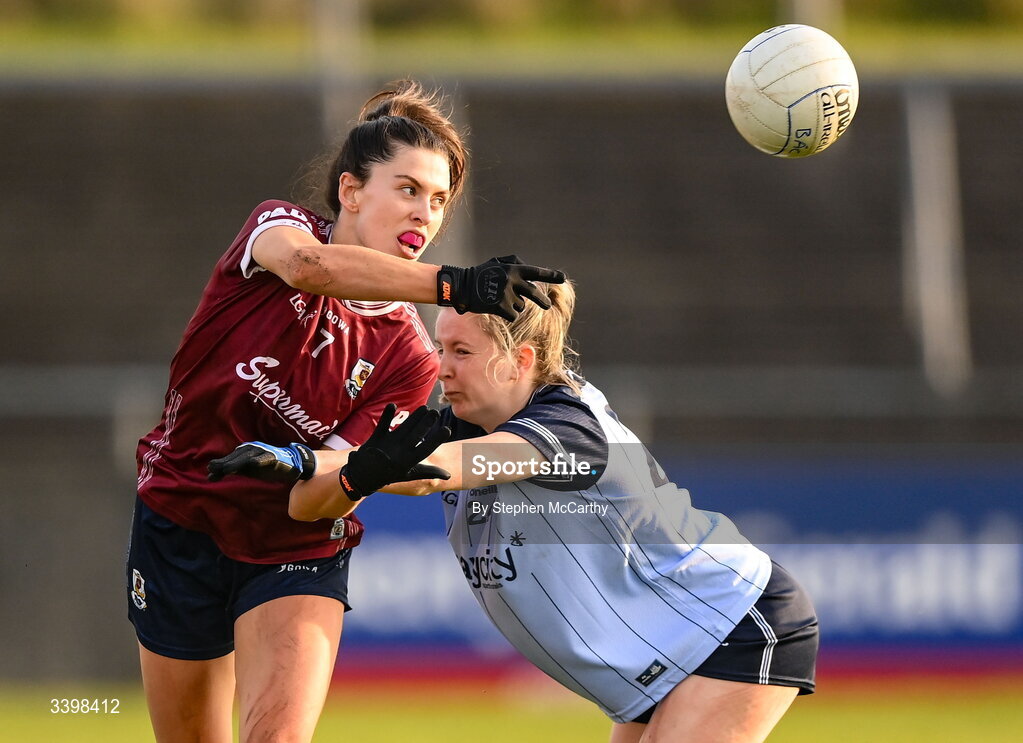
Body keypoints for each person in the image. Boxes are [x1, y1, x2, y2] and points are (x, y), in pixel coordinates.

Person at [128, 79, 564, 743]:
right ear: (351, 190)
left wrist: (360, 474)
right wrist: (453, 282)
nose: (427, 212)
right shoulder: (279, 229)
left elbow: (308, 502)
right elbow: (310, 267)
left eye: (440, 199)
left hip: (291, 547)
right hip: (180, 514)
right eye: (409, 188)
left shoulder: (409, 358)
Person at [213, 279, 819, 743]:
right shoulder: (458, 420)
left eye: (461, 351)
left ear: (521, 360)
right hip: (668, 651)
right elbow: (316, 498)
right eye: (439, 347)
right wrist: (310, 466)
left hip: (735, 623)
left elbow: (449, 470)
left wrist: (322, 462)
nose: (441, 366)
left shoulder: (569, 425)